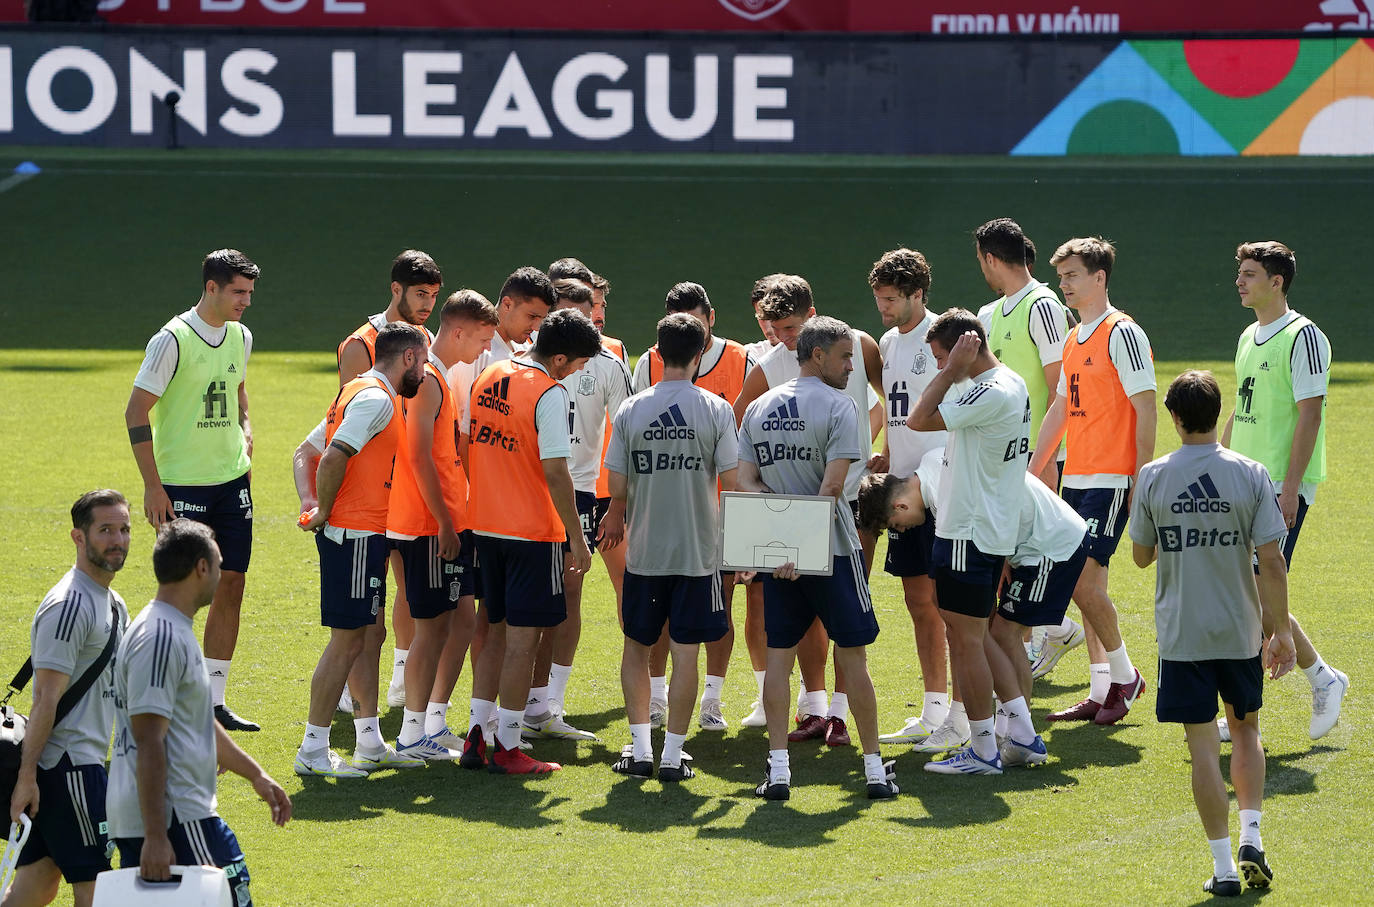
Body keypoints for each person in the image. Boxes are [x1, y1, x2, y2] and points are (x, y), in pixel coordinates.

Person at [1130, 370, 1296, 897]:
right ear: (1217, 412)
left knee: (1202, 745)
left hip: (1182, 637)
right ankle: (1253, 834)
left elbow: (1139, 554)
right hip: (1240, 633)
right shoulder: (1251, 473)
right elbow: (1271, 560)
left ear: (1175, 419)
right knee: (1245, 731)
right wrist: (1282, 634)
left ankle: (1224, 868)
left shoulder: (1154, 476)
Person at [738, 316, 897, 801]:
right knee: (854, 659)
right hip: (832, 549)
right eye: (845, 356)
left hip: (778, 557)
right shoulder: (841, 407)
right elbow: (831, 489)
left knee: (779, 661)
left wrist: (784, 547)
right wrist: (802, 546)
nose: (853, 366)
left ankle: (780, 772)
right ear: (817, 355)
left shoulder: (760, 408)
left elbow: (747, 483)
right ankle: (873, 771)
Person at [860, 449, 1088, 768]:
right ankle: (1012, 737)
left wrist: (1002, 556)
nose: (903, 529)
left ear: (899, 505)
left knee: (998, 635)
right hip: (1037, 538)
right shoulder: (929, 461)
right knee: (995, 634)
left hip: (1051, 546)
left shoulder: (944, 498)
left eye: (896, 524)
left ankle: (1017, 739)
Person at [106, 520, 291, 906]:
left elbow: (194, 720)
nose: (222, 574)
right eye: (219, 564)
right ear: (201, 568)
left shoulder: (173, 629)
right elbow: (149, 740)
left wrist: (254, 774)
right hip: (175, 818)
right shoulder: (160, 637)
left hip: (175, 815)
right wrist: (156, 836)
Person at [459, 308, 601, 775]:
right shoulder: (549, 393)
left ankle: (477, 736)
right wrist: (577, 539)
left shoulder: (492, 372)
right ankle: (508, 746)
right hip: (531, 533)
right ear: (560, 358)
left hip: (485, 523)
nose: (579, 372)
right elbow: (557, 471)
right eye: (579, 363)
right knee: (523, 641)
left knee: (492, 629)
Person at [125, 249, 261, 733]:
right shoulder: (172, 340)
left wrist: (246, 430)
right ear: (211, 288)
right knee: (183, 592)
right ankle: (169, 696)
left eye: (249, 292)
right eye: (238, 292)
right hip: (181, 486)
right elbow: (136, 412)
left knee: (233, 584)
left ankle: (213, 700)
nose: (246, 301)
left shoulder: (241, 336)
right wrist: (152, 487)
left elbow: (239, 391)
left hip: (231, 482)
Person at [600, 313, 738, 781]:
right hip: (699, 554)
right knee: (685, 653)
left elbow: (616, 481)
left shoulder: (631, 410)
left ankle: (640, 750)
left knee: (637, 649)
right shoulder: (717, 410)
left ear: (656, 354)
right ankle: (673, 756)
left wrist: (618, 509)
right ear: (700, 354)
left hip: (644, 552)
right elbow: (733, 482)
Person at [292, 323, 428, 778]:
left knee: (369, 635)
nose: (425, 372)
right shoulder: (375, 399)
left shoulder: (356, 390)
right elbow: (328, 458)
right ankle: (313, 749)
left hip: (366, 534)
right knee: (348, 639)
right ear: (407, 357)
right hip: (354, 536)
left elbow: (303, 452)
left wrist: (310, 504)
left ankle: (369, 741)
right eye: (423, 361)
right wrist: (324, 510)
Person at [1223, 241, 1346, 741]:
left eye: (1250, 273)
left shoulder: (1304, 337)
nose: (1240, 280)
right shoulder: (1249, 336)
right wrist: (1215, 461)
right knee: (1252, 594)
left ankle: (1252, 704)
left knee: (1256, 591)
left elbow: (1310, 414)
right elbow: (1241, 407)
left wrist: (1291, 488)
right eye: (1240, 272)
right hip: (1247, 480)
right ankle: (1319, 678)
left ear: (1277, 282)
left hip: (1280, 486)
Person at [1029, 237, 1154, 726]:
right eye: (1061, 276)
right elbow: (1060, 407)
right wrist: (1035, 469)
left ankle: (1125, 676)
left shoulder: (1123, 333)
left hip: (1112, 476)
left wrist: (1142, 477)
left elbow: (1146, 406)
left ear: (1099, 278)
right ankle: (1103, 687)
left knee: (1083, 584)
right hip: (1078, 475)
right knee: (1087, 586)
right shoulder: (1073, 336)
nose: (1064, 284)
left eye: (1073, 275)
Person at [907, 309, 1030, 776]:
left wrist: (953, 371)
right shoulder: (1011, 383)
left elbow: (917, 418)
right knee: (976, 638)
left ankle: (982, 749)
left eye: (942, 357)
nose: (940, 368)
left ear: (966, 347)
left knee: (966, 641)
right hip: (987, 527)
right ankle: (1021, 733)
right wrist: (955, 371)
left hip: (967, 530)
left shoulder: (987, 390)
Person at [631, 282, 756, 733]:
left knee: (719, 610)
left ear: (712, 318)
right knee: (659, 615)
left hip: (718, 514)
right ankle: (659, 696)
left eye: (696, 317)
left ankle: (712, 699)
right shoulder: (648, 363)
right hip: (662, 512)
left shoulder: (742, 359)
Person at [384, 292, 499, 761]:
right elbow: (416, 456)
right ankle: (413, 734)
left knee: (462, 620)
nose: (484, 350)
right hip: (431, 525)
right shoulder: (429, 381)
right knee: (430, 629)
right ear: (457, 332)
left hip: (451, 518)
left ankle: (430, 722)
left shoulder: (440, 377)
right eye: (481, 340)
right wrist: (446, 523)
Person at [4, 492, 130, 907]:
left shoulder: (113, 603)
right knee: (97, 892)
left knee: (36, 886)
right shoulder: (69, 606)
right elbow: (45, 699)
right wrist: (26, 778)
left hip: (78, 765)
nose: (117, 539)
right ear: (79, 537)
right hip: (68, 769)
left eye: (124, 529)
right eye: (105, 530)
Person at [974, 219, 1085, 681]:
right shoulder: (989, 313)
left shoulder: (1043, 306)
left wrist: (1048, 462)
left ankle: (1044, 636)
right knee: (1010, 559)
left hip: (1038, 461)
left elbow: (1063, 389)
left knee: (1036, 554)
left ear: (991, 259)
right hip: (1002, 462)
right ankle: (1052, 632)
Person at [336, 249, 444, 713]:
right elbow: (350, 412)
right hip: (372, 492)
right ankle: (347, 687)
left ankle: (401, 679)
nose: (427, 304)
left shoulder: (426, 339)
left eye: (434, 296)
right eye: (420, 294)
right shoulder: (361, 344)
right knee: (367, 601)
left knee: (409, 588)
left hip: (411, 486)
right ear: (395, 289)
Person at [524, 279, 631, 741]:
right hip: (521, 492)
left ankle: (549, 703)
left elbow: (627, 432)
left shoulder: (605, 363)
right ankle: (506, 707)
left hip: (580, 491)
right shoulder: (521, 360)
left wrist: (618, 503)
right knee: (512, 604)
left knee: (568, 594)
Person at [865, 247, 952, 748]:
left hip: (939, 488)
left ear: (919, 294)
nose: (884, 309)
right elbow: (896, 410)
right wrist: (886, 452)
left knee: (953, 607)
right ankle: (933, 709)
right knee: (919, 601)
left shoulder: (944, 338)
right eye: (879, 299)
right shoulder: (888, 342)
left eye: (892, 299)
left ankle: (967, 715)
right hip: (903, 491)